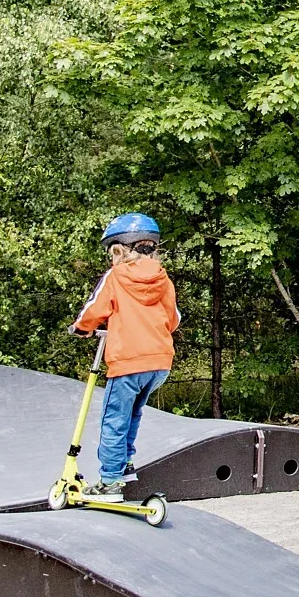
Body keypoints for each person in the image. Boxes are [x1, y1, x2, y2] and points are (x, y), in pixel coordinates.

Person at [71, 213, 182, 501]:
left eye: (112, 253)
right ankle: (126, 464)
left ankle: (109, 482)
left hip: (128, 361)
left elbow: (94, 310)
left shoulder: (117, 276)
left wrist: (81, 328)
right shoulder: (163, 279)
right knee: (132, 413)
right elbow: (174, 320)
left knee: (114, 419)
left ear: (119, 250)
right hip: (159, 363)